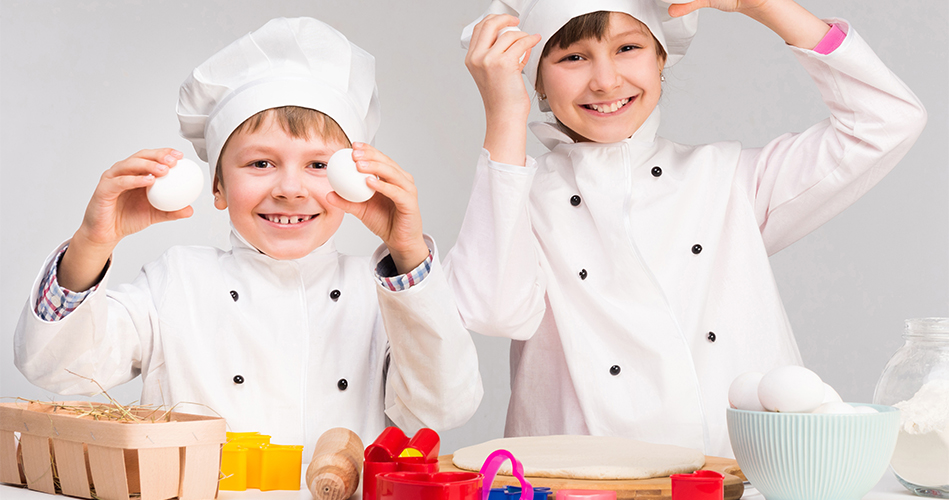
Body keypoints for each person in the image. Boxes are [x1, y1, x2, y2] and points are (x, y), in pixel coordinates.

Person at [446, 0, 926, 457]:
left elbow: (887, 122)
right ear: (537, 81)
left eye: (627, 48)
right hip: (580, 484)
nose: (606, 80)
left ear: (661, 57)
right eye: (573, 57)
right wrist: (504, 113)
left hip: (740, 478)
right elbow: (493, 311)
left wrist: (764, 7)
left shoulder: (727, 180)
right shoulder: (514, 193)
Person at [14, 17, 483, 455]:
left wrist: (408, 253)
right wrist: (93, 242)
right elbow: (55, 367)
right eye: (261, 163)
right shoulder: (176, 282)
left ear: (353, 179)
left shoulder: (379, 294)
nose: (290, 189)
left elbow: (443, 406)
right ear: (218, 186)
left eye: (319, 165)